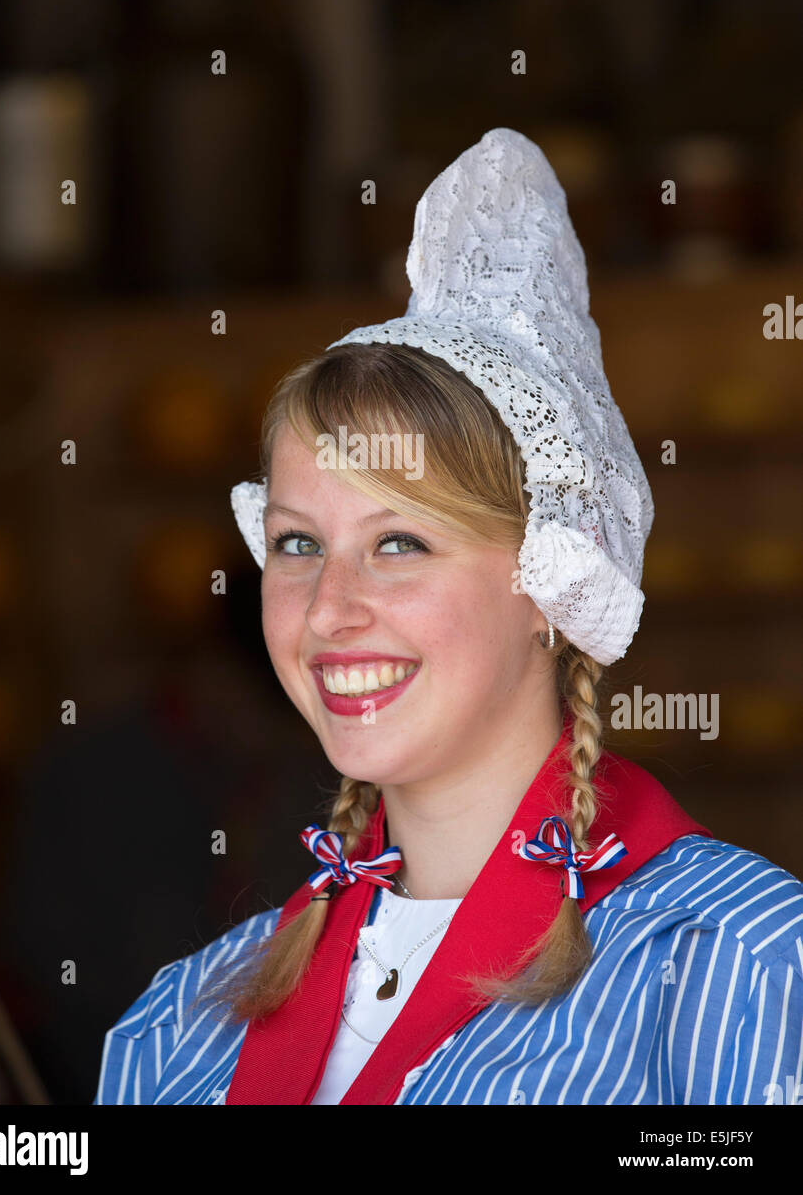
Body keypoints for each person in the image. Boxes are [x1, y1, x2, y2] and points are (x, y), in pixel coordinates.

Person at [93, 129, 803, 1106]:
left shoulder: (739, 968)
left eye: (399, 544)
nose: (330, 610)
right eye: (298, 542)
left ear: (550, 581)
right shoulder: (180, 1023)